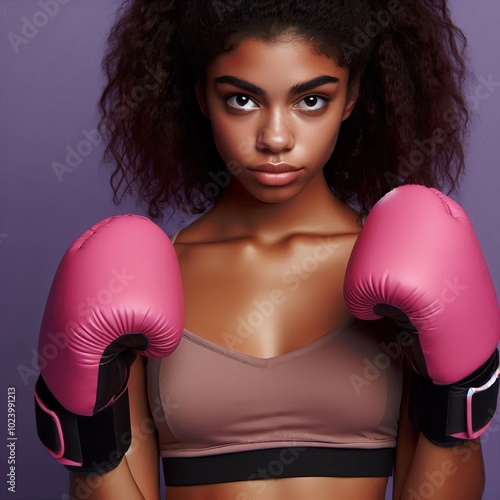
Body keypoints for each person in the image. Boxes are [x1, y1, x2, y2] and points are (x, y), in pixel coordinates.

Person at [41, 0, 499, 498]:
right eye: (242, 100)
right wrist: (87, 439)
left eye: (310, 101)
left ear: (351, 96)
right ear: (201, 95)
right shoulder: (142, 275)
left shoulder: (407, 269)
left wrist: (458, 400)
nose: (275, 137)